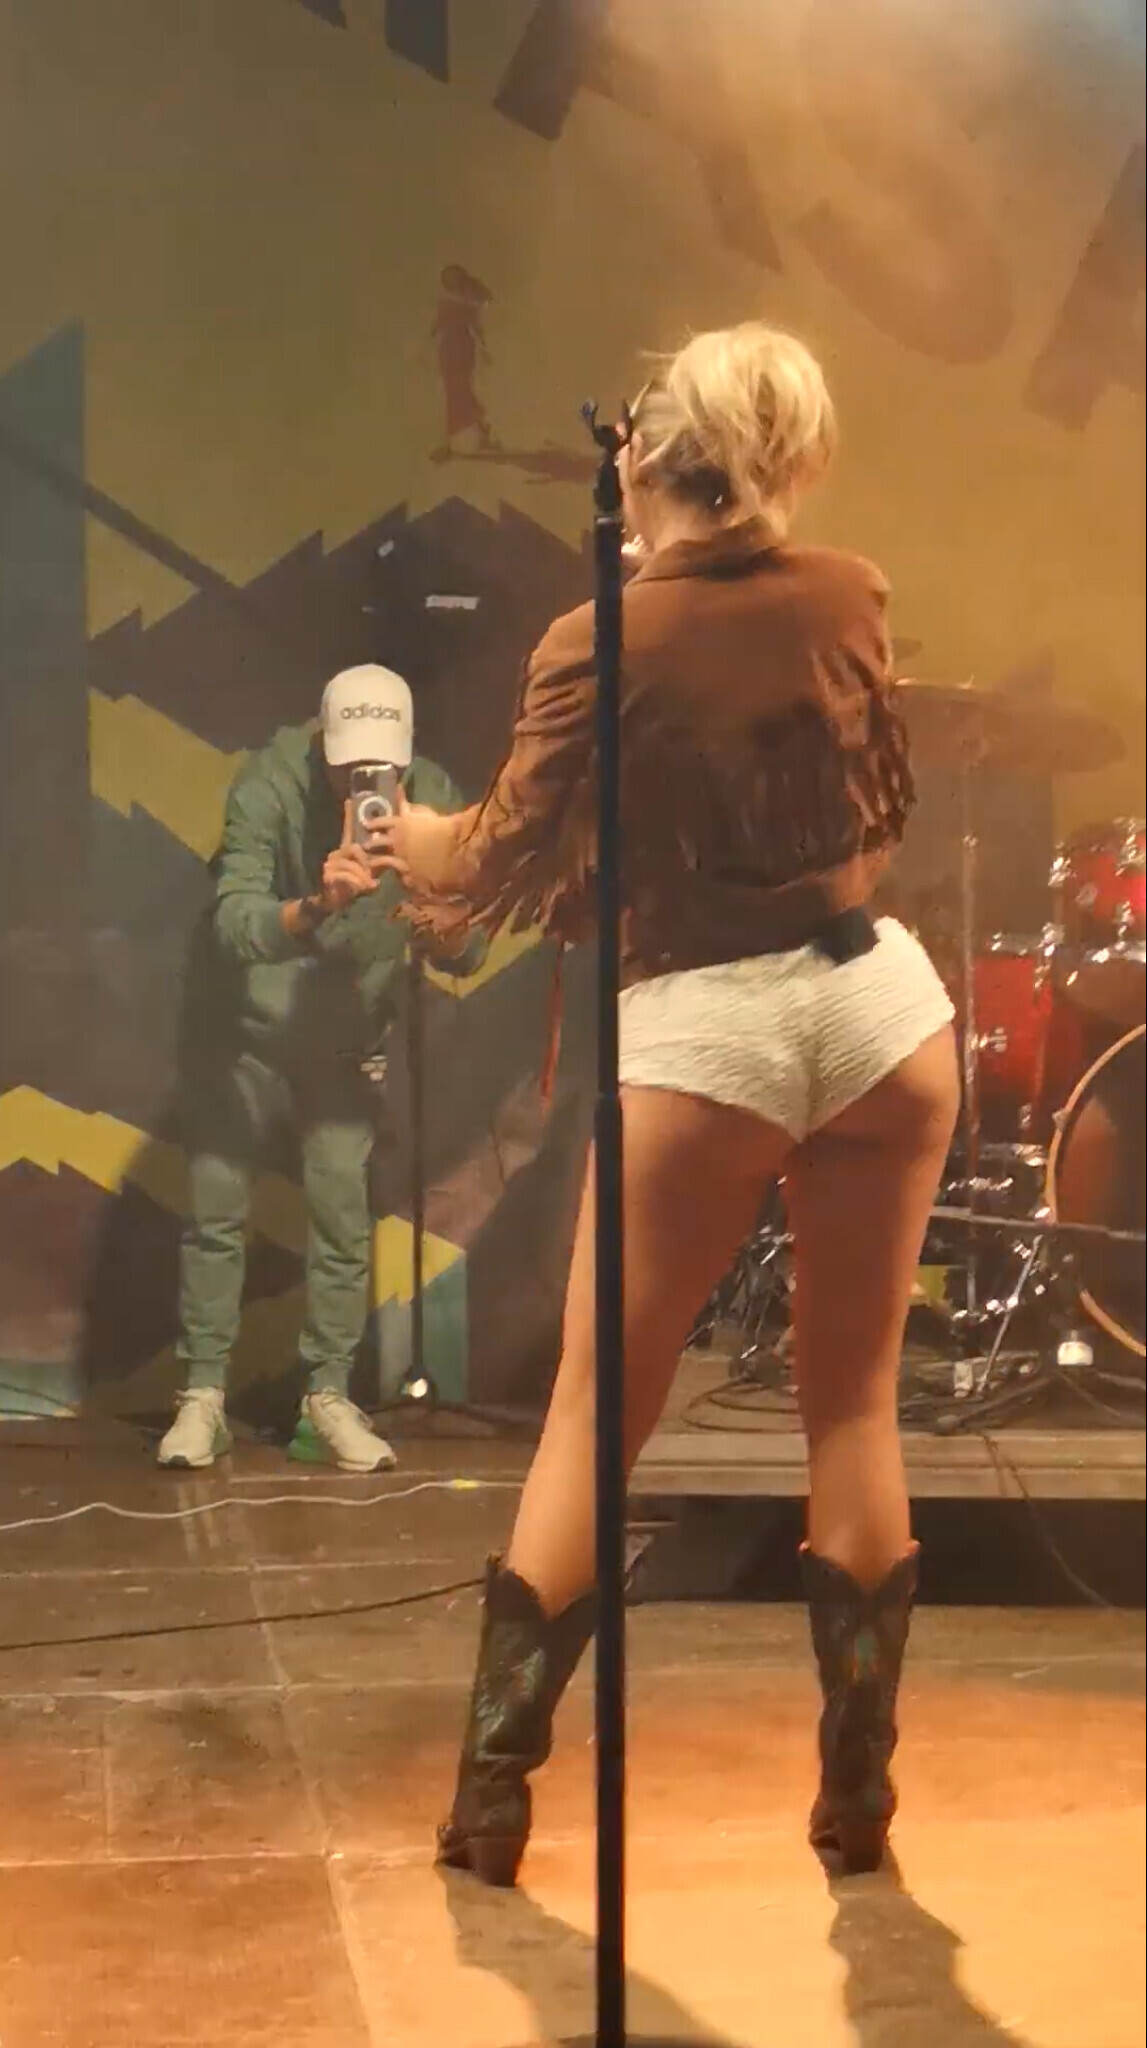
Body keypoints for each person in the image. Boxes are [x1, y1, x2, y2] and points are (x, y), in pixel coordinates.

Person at [379, 324, 959, 1883]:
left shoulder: (599, 636)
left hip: (710, 1033)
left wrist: (400, 833)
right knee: (853, 1406)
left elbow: (490, 855)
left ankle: (488, 1807)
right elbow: (867, 813)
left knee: (593, 1418)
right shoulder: (850, 593)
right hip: (880, 1012)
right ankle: (855, 1806)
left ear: (641, 456)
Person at [158, 665, 486, 1474]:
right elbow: (233, 922)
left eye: (382, 767)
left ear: (407, 755)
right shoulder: (269, 782)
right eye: (348, 767)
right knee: (216, 1211)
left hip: (344, 1037)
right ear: (322, 744)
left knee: (342, 1217)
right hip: (240, 1030)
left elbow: (470, 949)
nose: (365, 782)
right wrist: (319, 905)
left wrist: (435, 908)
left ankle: (326, 1399)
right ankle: (202, 1395)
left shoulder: (433, 797)